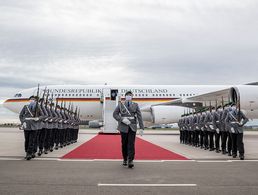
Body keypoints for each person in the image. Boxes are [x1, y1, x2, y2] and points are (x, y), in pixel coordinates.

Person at [113, 91, 144, 168]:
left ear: (132, 96)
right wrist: (122, 119)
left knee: (131, 144)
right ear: (125, 96)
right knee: (124, 144)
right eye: (127, 95)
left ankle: (130, 160)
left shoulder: (135, 105)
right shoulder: (121, 105)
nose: (129, 96)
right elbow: (115, 114)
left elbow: (139, 116)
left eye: (130, 95)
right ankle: (125, 159)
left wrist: (141, 127)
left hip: (132, 126)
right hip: (123, 126)